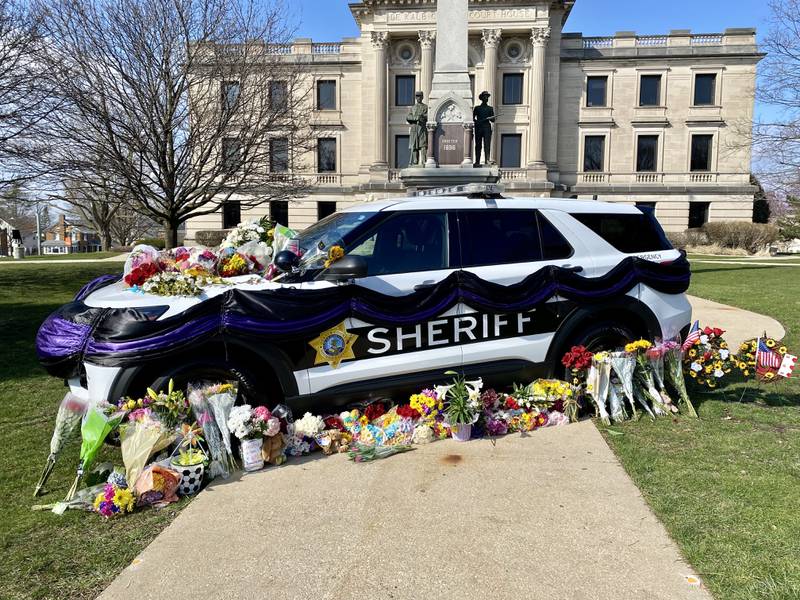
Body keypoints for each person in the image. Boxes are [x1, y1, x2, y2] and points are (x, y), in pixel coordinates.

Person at [473, 91, 496, 167]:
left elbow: (493, 120)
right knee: (478, 145)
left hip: (487, 127)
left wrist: (492, 117)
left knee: (487, 144)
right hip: (479, 127)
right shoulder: (477, 108)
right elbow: (472, 118)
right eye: (485, 96)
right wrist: (476, 122)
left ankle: (487, 160)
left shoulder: (490, 108)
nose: (486, 98)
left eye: (487, 97)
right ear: (482, 98)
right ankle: (477, 161)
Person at [406, 91, 428, 167]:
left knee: (423, 144)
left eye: (419, 96)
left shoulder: (425, 107)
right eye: (417, 96)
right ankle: (415, 161)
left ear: (422, 97)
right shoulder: (413, 108)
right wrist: (416, 118)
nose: (418, 98)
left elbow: (429, 115)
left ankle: (424, 160)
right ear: (415, 97)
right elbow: (408, 117)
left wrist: (422, 117)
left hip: (422, 128)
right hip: (414, 128)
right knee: (414, 145)